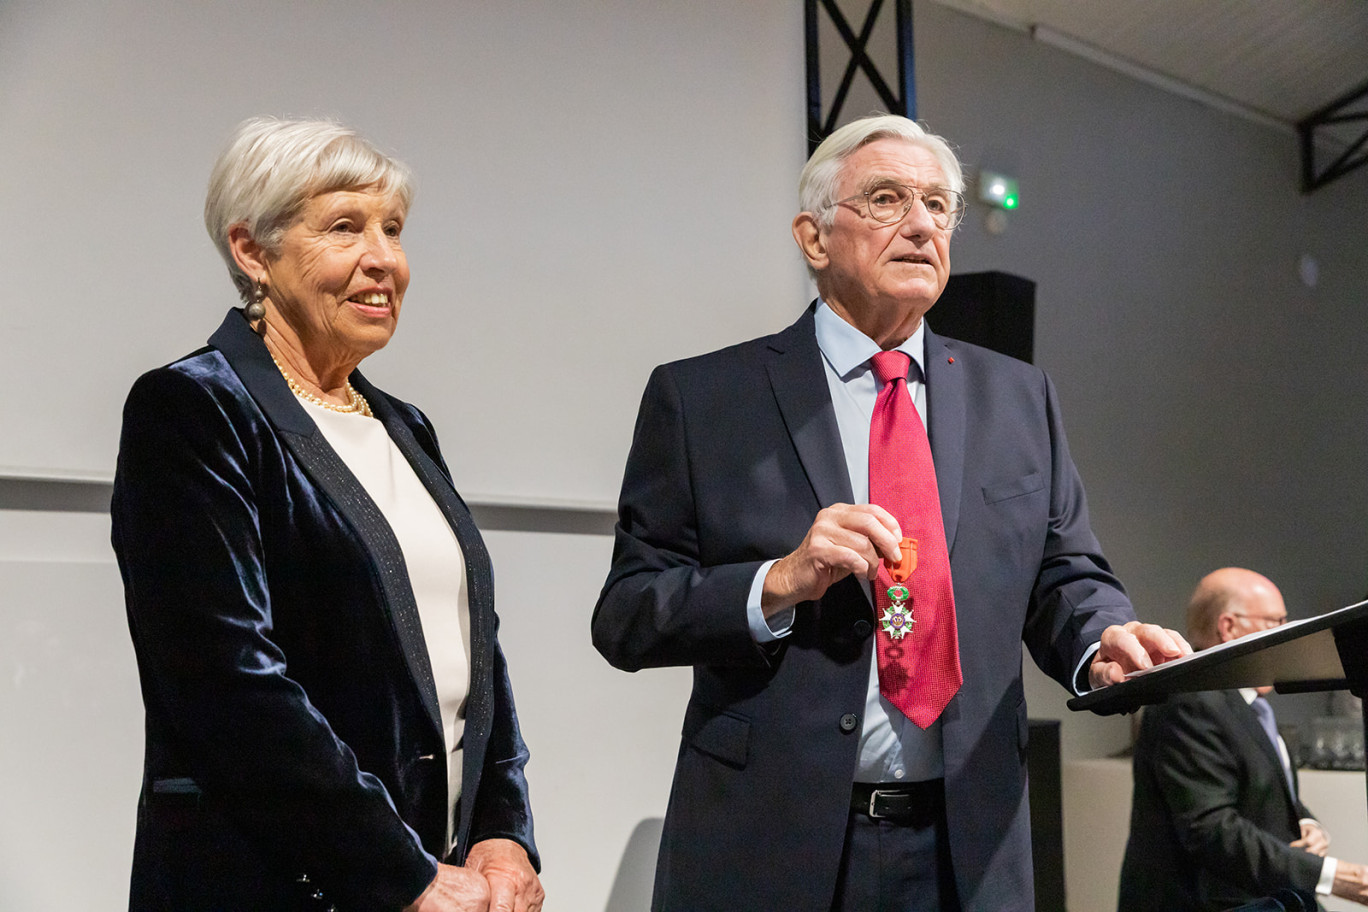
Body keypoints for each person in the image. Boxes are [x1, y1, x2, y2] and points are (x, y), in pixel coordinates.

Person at [591, 113, 1188, 912]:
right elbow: (629, 612)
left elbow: (1061, 573)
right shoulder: (704, 401)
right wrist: (779, 581)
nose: (920, 224)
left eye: (939, 206)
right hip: (769, 847)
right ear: (813, 238)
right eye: (886, 199)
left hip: (967, 849)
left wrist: (1099, 641)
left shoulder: (1018, 397)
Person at [112, 117, 543, 912]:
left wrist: (501, 833)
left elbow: (474, 658)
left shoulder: (406, 427)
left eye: (393, 229)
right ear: (253, 252)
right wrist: (401, 873)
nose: (384, 258)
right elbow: (226, 683)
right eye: (345, 227)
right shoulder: (193, 410)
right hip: (268, 882)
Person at [1119, 568, 1368, 910]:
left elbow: (1261, 792)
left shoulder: (1244, 701)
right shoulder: (1190, 699)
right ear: (1228, 627)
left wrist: (1305, 822)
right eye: (1275, 621)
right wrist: (1334, 876)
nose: (1286, 634)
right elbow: (1210, 828)